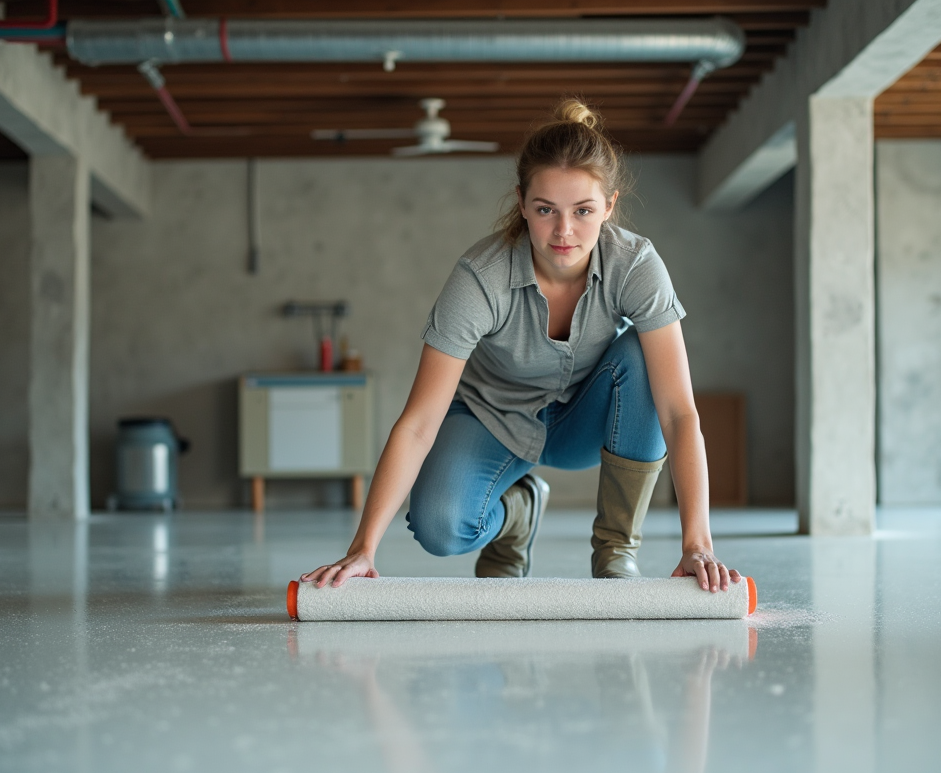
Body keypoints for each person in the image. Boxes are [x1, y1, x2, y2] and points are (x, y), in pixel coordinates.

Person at [303, 99, 741, 594]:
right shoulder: (479, 279)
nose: (564, 231)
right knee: (439, 529)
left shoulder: (636, 265)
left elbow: (679, 413)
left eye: (584, 211)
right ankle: (518, 510)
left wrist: (697, 542)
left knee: (642, 355)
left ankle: (616, 549)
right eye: (545, 210)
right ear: (522, 203)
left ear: (610, 206)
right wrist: (363, 548)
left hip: (584, 420)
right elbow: (420, 421)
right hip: (492, 419)